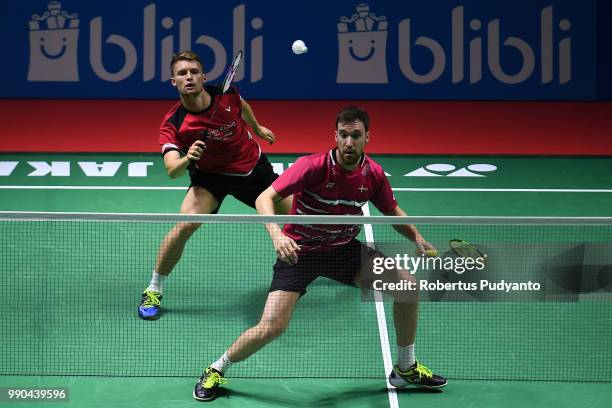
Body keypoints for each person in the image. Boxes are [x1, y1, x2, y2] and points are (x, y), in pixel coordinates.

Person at [193, 106, 447, 401]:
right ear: (335, 136)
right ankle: (216, 368)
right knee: (272, 326)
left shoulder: (373, 174)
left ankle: (405, 367)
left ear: (367, 137)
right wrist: (277, 235)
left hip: (342, 251)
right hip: (299, 252)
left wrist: (416, 236)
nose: (349, 142)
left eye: (356, 135)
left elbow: (391, 211)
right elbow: (265, 198)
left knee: (407, 287)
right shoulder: (312, 166)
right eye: (343, 135)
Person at [138, 51, 292, 320]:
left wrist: (256, 127)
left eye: (194, 72)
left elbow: (241, 104)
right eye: (183, 73)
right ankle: (153, 288)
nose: (189, 77)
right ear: (173, 81)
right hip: (210, 178)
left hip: (252, 169)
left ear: (203, 77)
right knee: (184, 226)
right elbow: (173, 170)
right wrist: (189, 157)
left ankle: (336, 258)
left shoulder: (225, 93)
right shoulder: (173, 123)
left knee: (302, 216)